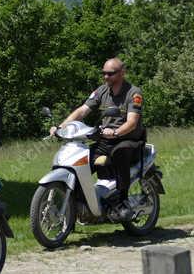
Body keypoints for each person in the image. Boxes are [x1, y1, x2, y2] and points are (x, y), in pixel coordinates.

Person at [51, 57, 145, 221]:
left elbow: (131, 123)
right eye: (104, 73)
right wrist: (61, 127)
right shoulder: (102, 91)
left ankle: (123, 203)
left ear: (122, 73)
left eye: (110, 73)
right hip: (105, 140)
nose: (106, 77)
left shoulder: (133, 93)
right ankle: (82, 206)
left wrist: (115, 133)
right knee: (81, 161)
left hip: (129, 140)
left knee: (120, 153)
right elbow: (82, 111)